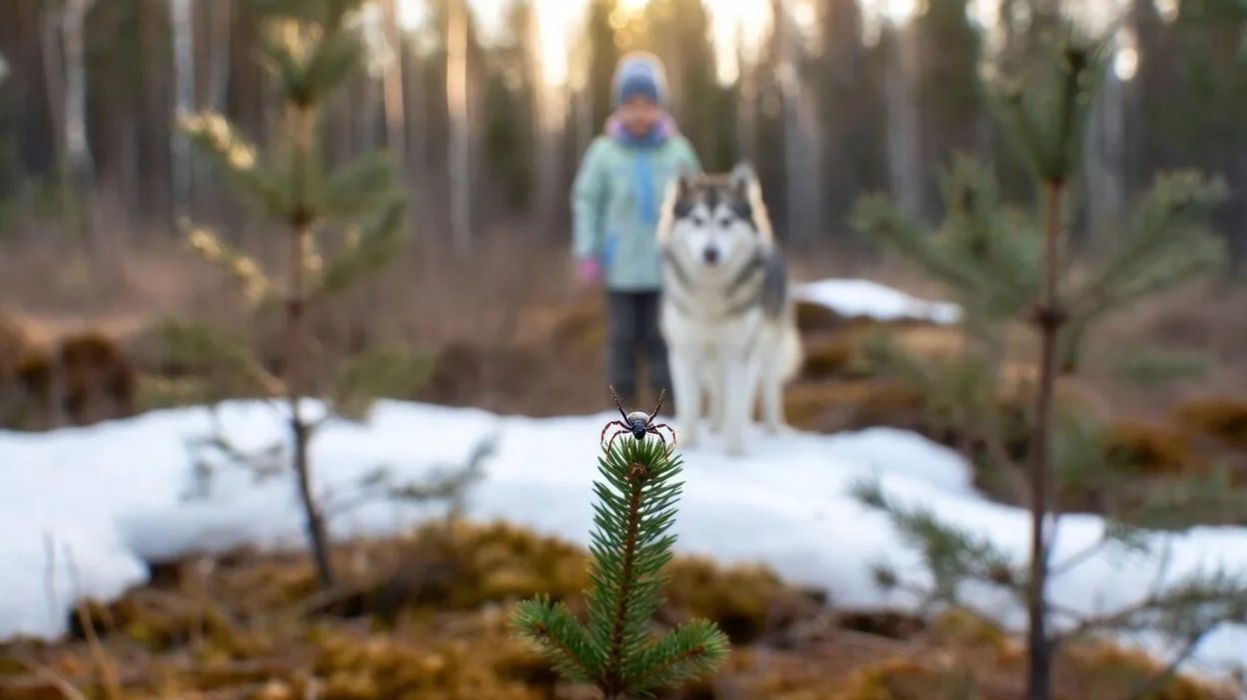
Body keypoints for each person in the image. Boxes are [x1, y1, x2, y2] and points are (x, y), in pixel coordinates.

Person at [571, 52, 701, 407]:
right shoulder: (603, 153)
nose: (639, 112)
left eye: (647, 103)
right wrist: (588, 252)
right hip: (621, 269)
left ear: (659, 106)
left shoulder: (678, 151)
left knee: (664, 337)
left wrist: (695, 251)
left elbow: (696, 206)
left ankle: (669, 407)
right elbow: (587, 202)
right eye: (631, 104)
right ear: (619, 108)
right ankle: (622, 407)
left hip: (667, 269)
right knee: (622, 338)